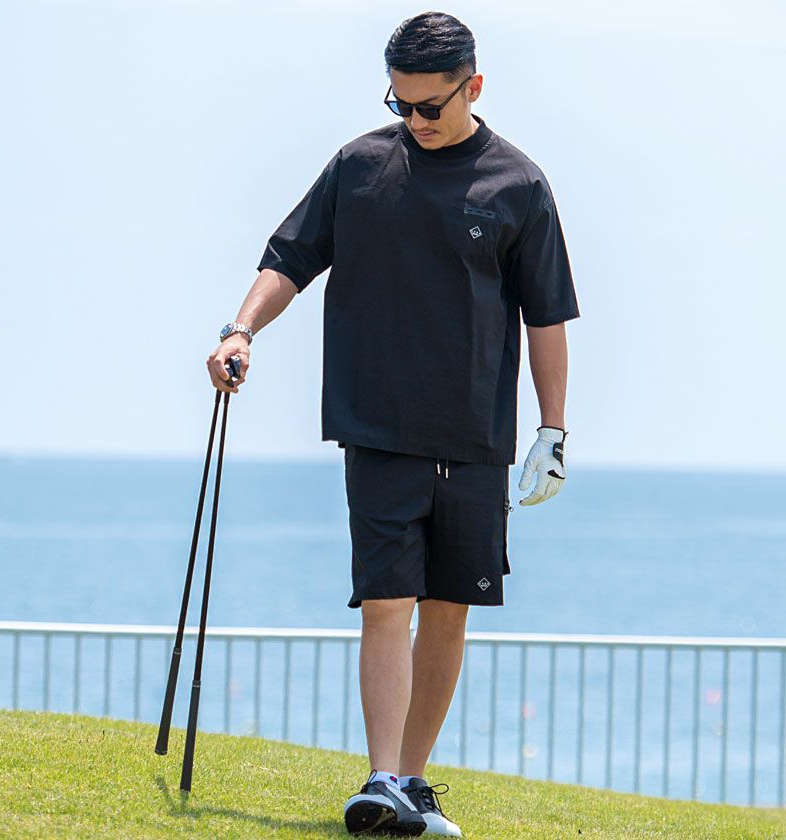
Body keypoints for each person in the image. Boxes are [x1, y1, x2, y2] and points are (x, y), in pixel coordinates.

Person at [207, 11, 580, 837]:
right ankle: (381, 780)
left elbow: (547, 315)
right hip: (377, 427)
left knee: (448, 610)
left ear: (473, 86)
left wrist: (553, 433)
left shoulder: (519, 184)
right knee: (386, 601)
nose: (414, 119)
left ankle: (411, 782)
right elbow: (289, 258)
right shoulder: (359, 167)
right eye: (400, 103)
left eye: (429, 106)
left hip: (477, 438)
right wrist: (240, 330)